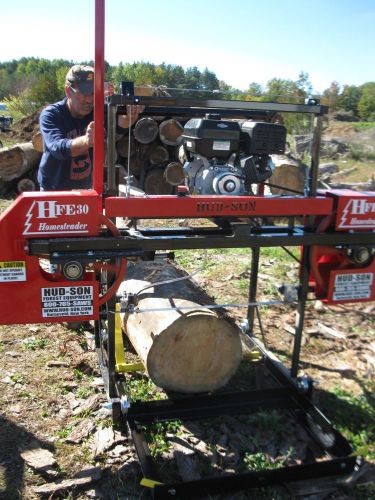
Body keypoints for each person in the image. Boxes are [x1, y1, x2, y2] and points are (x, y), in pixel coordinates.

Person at [38, 64, 143, 190]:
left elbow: (118, 124)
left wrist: (129, 117)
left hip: (85, 189)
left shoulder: (97, 110)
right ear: (68, 91)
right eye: (84, 93)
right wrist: (87, 141)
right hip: (54, 190)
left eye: (94, 93)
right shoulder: (51, 115)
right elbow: (57, 148)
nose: (89, 99)